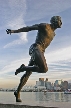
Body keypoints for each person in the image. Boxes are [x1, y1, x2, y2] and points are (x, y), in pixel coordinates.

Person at [6, 16, 62, 102]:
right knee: (44, 69)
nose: (61, 22)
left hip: (41, 51)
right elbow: (29, 28)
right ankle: (23, 68)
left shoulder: (54, 34)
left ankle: (17, 92)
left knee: (28, 73)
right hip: (36, 48)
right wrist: (14, 31)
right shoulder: (45, 26)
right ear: (54, 21)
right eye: (59, 20)